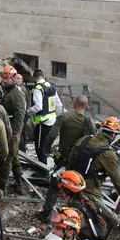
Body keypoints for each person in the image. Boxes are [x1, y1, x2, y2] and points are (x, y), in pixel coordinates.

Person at [38, 95, 96, 223]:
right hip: (79, 162)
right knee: (76, 188)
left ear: (75, 104)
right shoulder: (89, 122)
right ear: (86, 106)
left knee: (55, 185)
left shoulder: (64, 117)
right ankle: (73, 217)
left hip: (63, 159)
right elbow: (93, 142)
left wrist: (46, 149)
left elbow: (52, 135)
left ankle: (46, 214)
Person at [67, 117, 120, 233]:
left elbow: (70, 159)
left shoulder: (84, 139)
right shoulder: (108, 153)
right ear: (114, 135)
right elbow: (117, 181)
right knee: (113, 220)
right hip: (90, 192)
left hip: (71, 184)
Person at [0, 66, 27, 195]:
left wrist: (15, 132)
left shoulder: (17, 93)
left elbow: (20, 114)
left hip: (12, 130)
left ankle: (2, 187)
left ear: (13, 78)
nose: (4, 81)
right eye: (3, 78)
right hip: (8, 128)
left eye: (7, 78)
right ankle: (19, 183)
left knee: (8, 158)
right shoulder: (8, 91)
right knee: (15, 157)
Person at [28, 69, 61, 164]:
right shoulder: (51, 86)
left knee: (39, 147)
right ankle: (49, 164)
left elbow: (38, 107)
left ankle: (43, 167)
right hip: (52, 121)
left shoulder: (38, 88)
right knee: (46, 145)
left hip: (42, 122)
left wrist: (28, 112)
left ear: (35, 77)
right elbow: (59, 105)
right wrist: (56, 116)